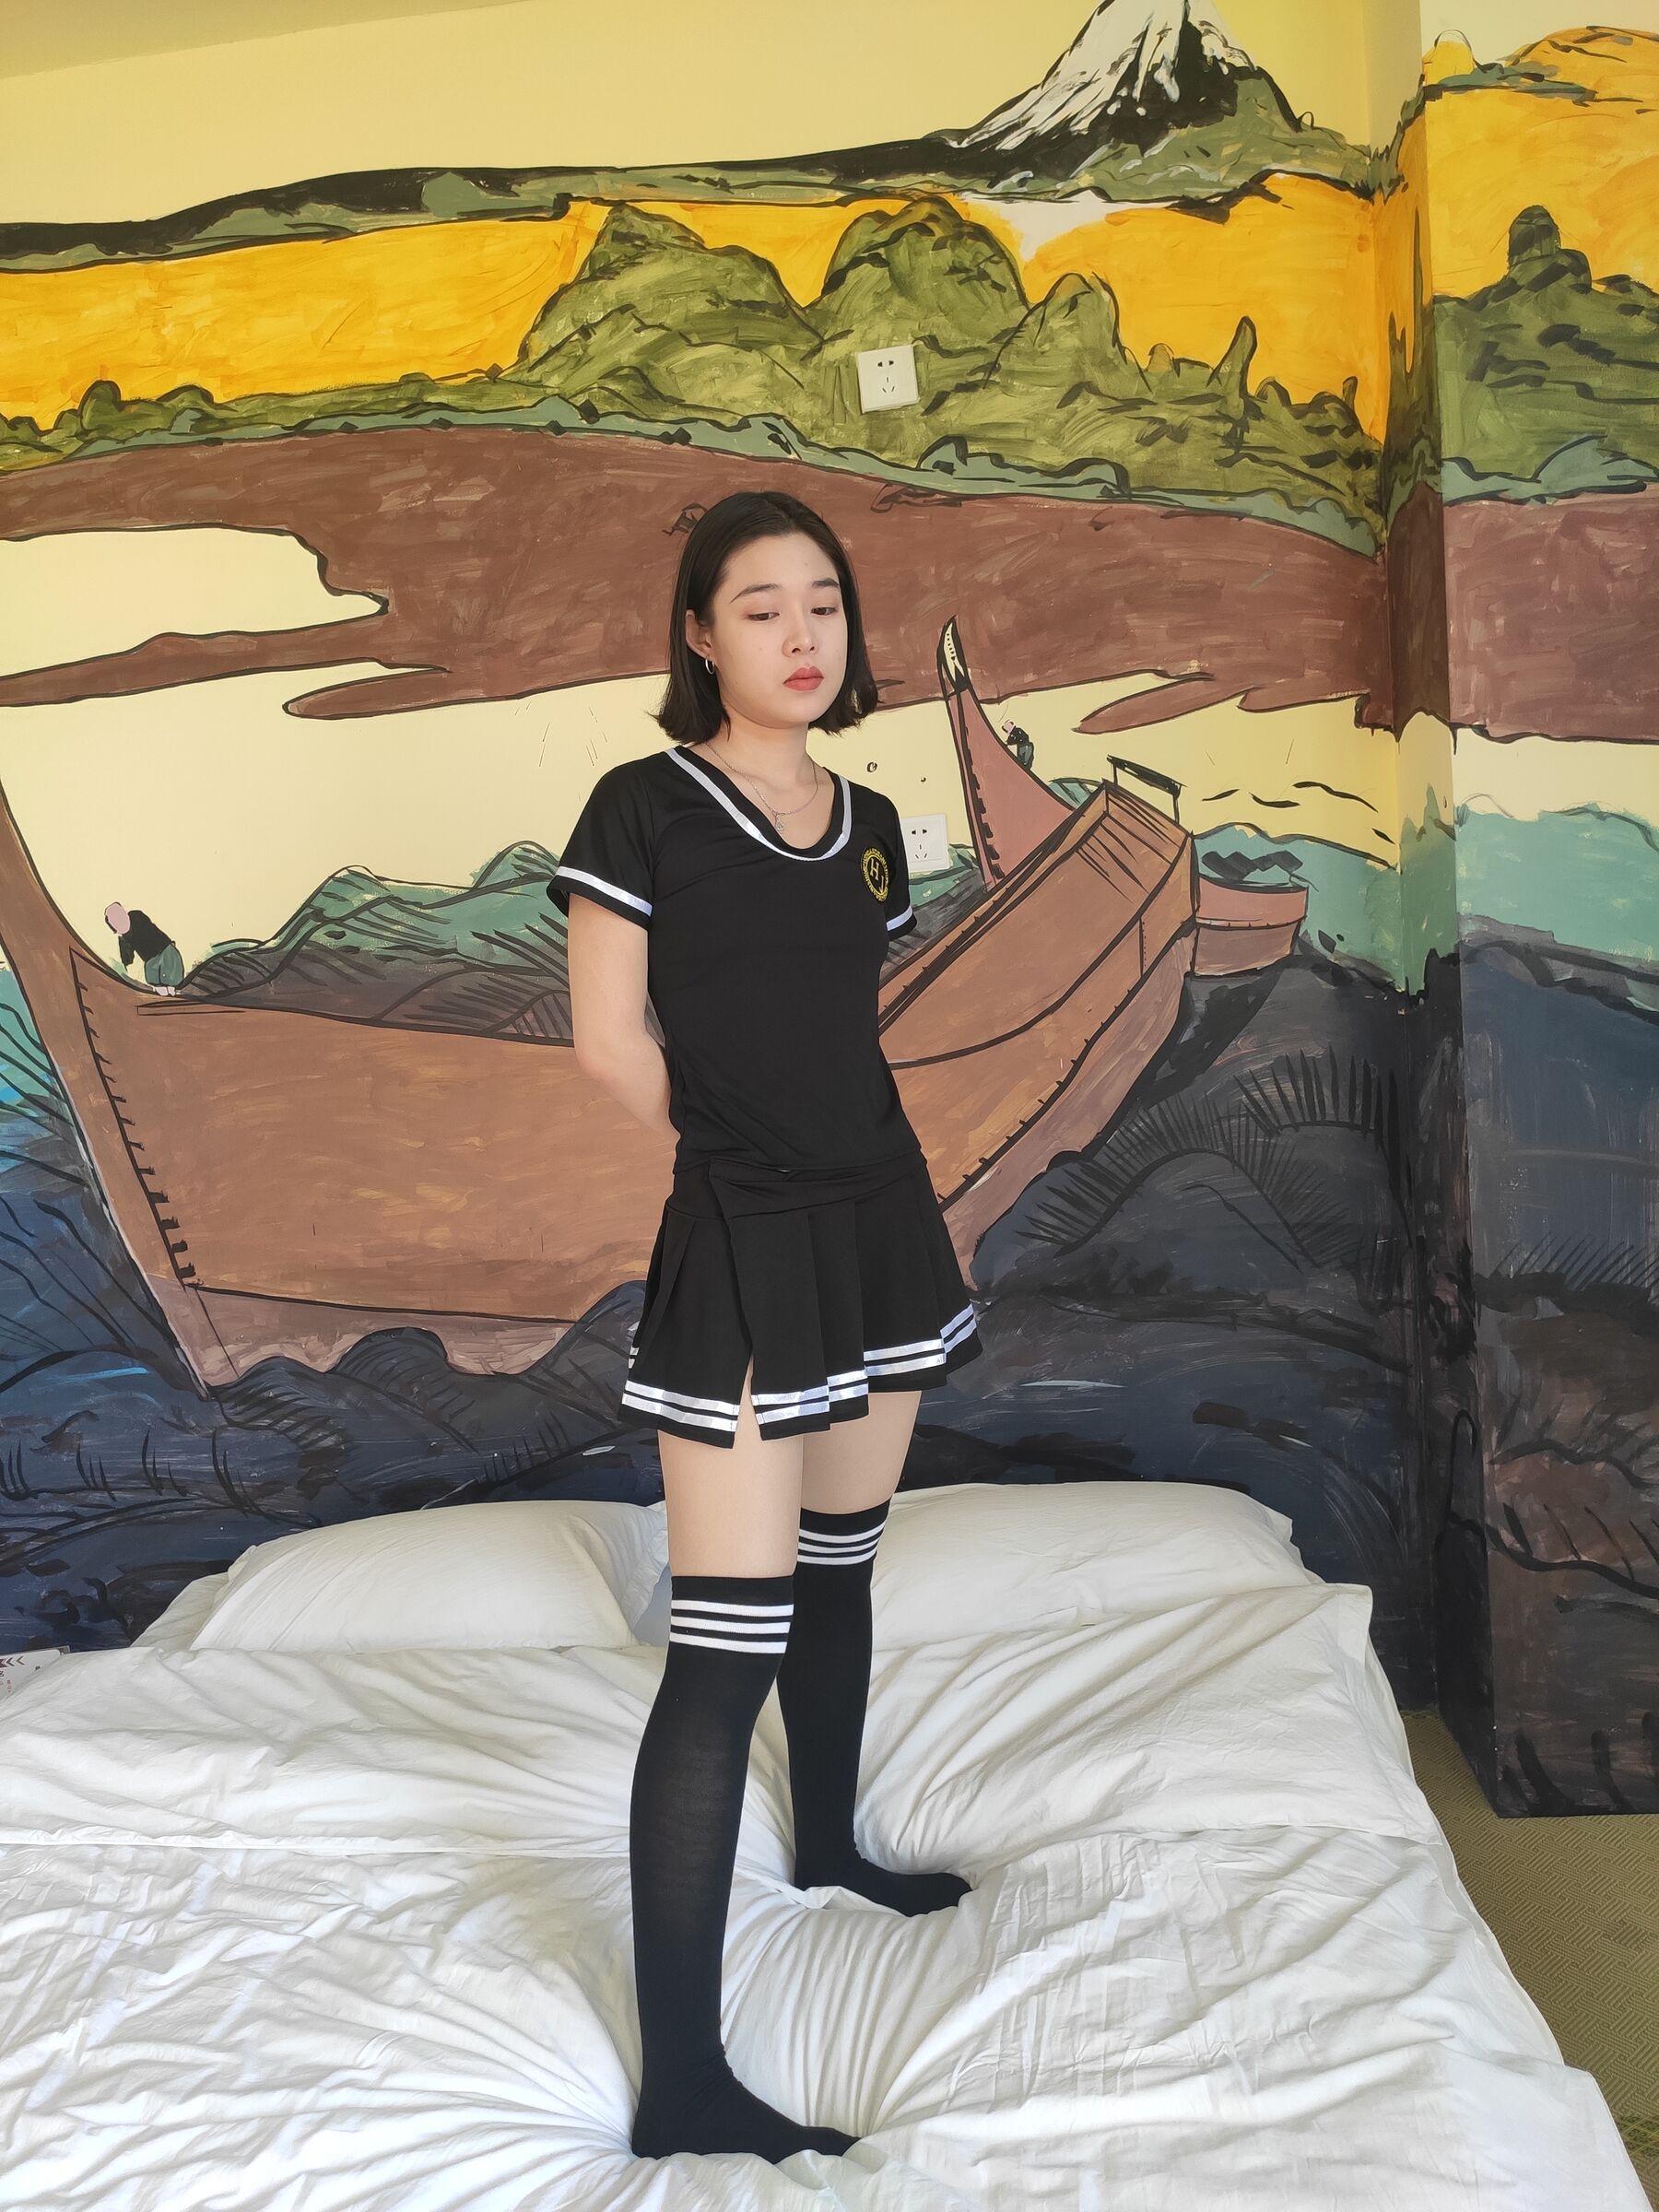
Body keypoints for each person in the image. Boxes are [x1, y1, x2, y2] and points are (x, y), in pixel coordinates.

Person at [547, 488, 983, 2165]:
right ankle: (684, 2079)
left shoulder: (870, 820)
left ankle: (834, 1847)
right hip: (739, 1238)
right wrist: (740, 1148)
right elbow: (609, 1043)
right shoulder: (643, 805)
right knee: (723, 1652)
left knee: (844, 1561)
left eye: (824, 605)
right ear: (698, 633)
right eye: (760, 608)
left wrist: (821, 1149)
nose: (802, 636)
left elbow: (838, 1026)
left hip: (881, 1224)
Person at [104, 900, 183, 994]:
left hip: (165, 949)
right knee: (155, 981)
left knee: (172, 980)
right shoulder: (124, 940)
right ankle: (164, 989)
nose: (119, 920)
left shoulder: (136, 916)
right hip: (150, 961)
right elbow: (128, 960)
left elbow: (146, 929)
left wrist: (125, 934)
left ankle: (171, 989)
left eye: (120, 915)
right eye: (114, 921)